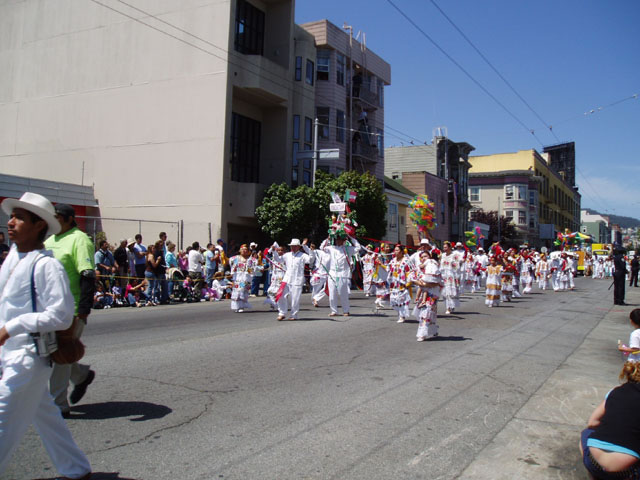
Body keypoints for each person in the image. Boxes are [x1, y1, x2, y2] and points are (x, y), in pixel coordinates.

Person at [0, 192, 91, 479]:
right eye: (11, 217)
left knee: (2, 416)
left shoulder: (46, 265)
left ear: (39, 225)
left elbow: (61, 315)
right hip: (9, 354)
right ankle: (76, 469)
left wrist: (12, 327)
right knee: (46, 416)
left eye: (19, 218)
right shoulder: (13, 257)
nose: (10, 222)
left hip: (28, 357)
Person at [44, 203, 96, 417]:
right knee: (56, 353)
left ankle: (58, 405)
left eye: (56, 217)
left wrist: (83, 309)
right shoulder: (49, 241)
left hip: (71, 308)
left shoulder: (79, 239)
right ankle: (81, 376)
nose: (53, 220)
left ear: (68, 218)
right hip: (49, 308)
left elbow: (87, 274)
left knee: (59, 357)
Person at [580, 360, 640, 479]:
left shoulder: (615, 391)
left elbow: (592, 422)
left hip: (594, 462)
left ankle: (596, 476)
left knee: (586, 433)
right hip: (627, 471)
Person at [322, 228, 362, 317]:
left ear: (344, 240)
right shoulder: (331, 248)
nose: (338, 241)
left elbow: (358, 247)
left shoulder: (348, 249)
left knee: (343, 293)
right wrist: (328, 238)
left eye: (340, 239)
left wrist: (350, 237)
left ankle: (346, 310)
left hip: (343, 274)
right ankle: (334, 311)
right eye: (337, 239)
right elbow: (322, 247)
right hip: (332, 274)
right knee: (332, 293)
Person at [273, 239, 310, 321]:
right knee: (280, 295)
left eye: (295, 246)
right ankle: (282, 313)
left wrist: (306, 248)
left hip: (297, 279)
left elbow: (311, 259)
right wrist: (274, 251)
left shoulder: (303, 255)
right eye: (292, 246)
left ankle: (294, 314)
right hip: (287, 278)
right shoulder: (287, 255)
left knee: (295, 298)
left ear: (298, 247)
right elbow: (278, 259)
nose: (293, 248)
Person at [413, 250, 442, 340]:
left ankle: (422, 334)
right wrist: (419, 284)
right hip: (423, 294)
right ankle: (433, 330)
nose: (423, 258)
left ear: (429, 257)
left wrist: (425, 284)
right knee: (427, 313)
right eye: (421, 257)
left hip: (432, 294)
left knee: (426, 313)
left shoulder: (433, 266)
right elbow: (416, 281)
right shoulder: (419, 269)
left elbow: (437, 282)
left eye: (425, 256)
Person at [229, 244, 262, 313]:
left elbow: (256, 267)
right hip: (237, 277)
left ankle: (241, 306)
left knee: (242, 290)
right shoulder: (236, 258)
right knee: (237, 291)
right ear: (240, 250)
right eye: (243, 249)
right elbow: (233, 266)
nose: (244, 251)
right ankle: (237, 306)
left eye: (246, 249)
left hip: (246, 278)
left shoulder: (251, 260)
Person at [388, 244, 412, 323]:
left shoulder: (406, 261)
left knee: (402, 299)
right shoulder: (393, 261)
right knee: (394, 300)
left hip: (403, 283)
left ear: (402, 252)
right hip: (394, 283)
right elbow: (389, 270)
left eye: (397, 250)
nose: (395, 252)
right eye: (395, 250)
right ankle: (400, 314)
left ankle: (402, 316)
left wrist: (408, 282)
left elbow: (409, 272)